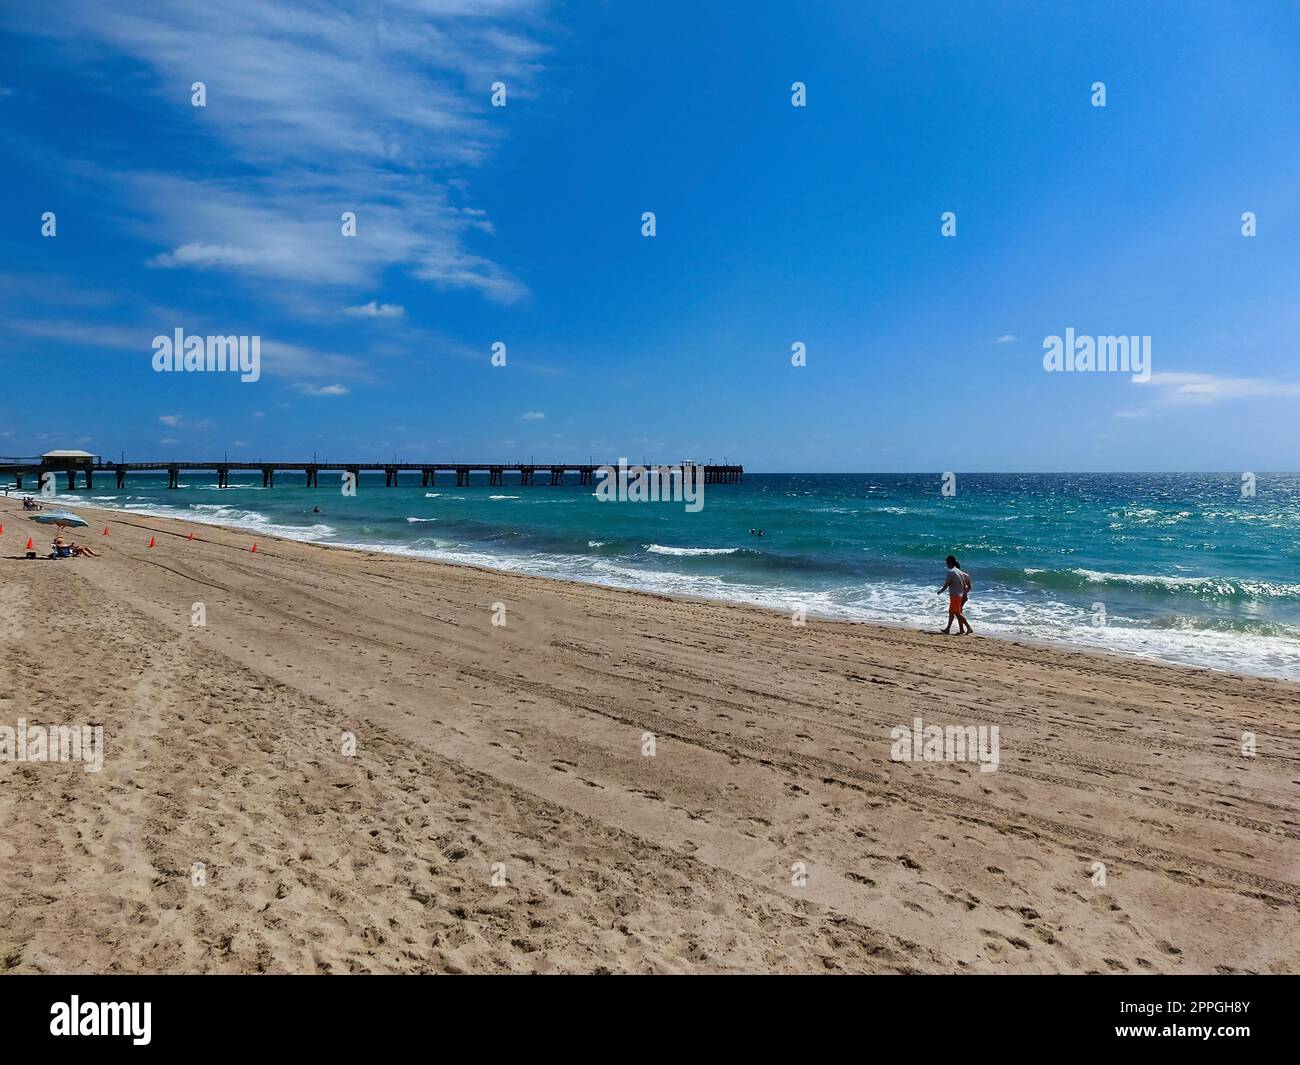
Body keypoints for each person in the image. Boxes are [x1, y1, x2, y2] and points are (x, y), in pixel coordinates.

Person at [937, 555, 972, 635]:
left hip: (956, 595)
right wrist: (964, 594)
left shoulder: (951, 572)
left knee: (957, 612)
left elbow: (947, 584)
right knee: (952, 611)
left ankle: (968, 628)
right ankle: (949, 629)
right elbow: (966, 585)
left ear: (949, 563)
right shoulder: (961, 573)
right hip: (960, 595)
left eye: (947, 563)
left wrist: (940, 591)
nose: (946, 564)